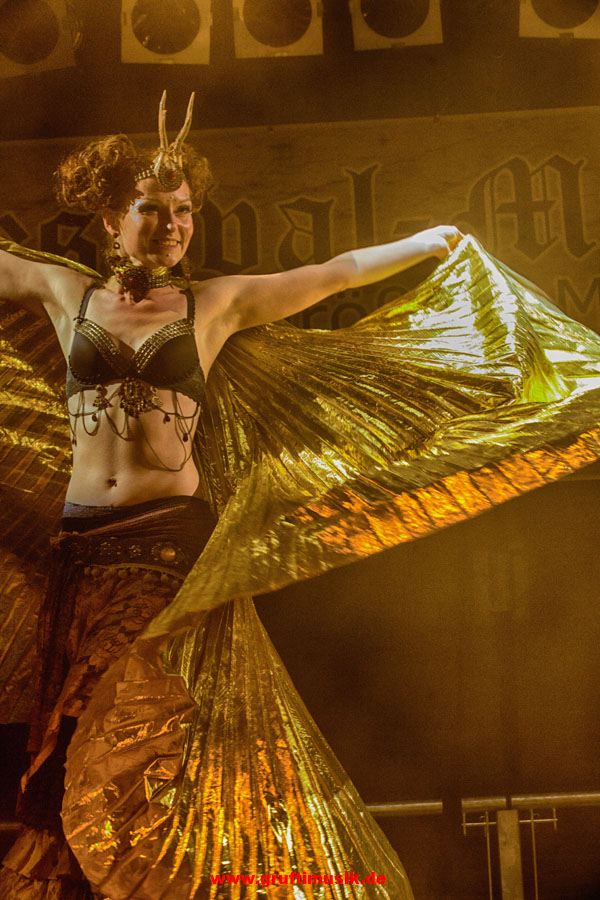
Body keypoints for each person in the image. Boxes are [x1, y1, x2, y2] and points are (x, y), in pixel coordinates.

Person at [0, 93, 599, 898]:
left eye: (184, 210)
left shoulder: (213, 305)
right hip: (79, 556)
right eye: (153, 209)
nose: (174, 225)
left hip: (164, 548)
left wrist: (427, 241)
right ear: (111, 219)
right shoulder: (63, 293)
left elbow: (330, 274)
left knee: (126, 734)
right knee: (66, 743)